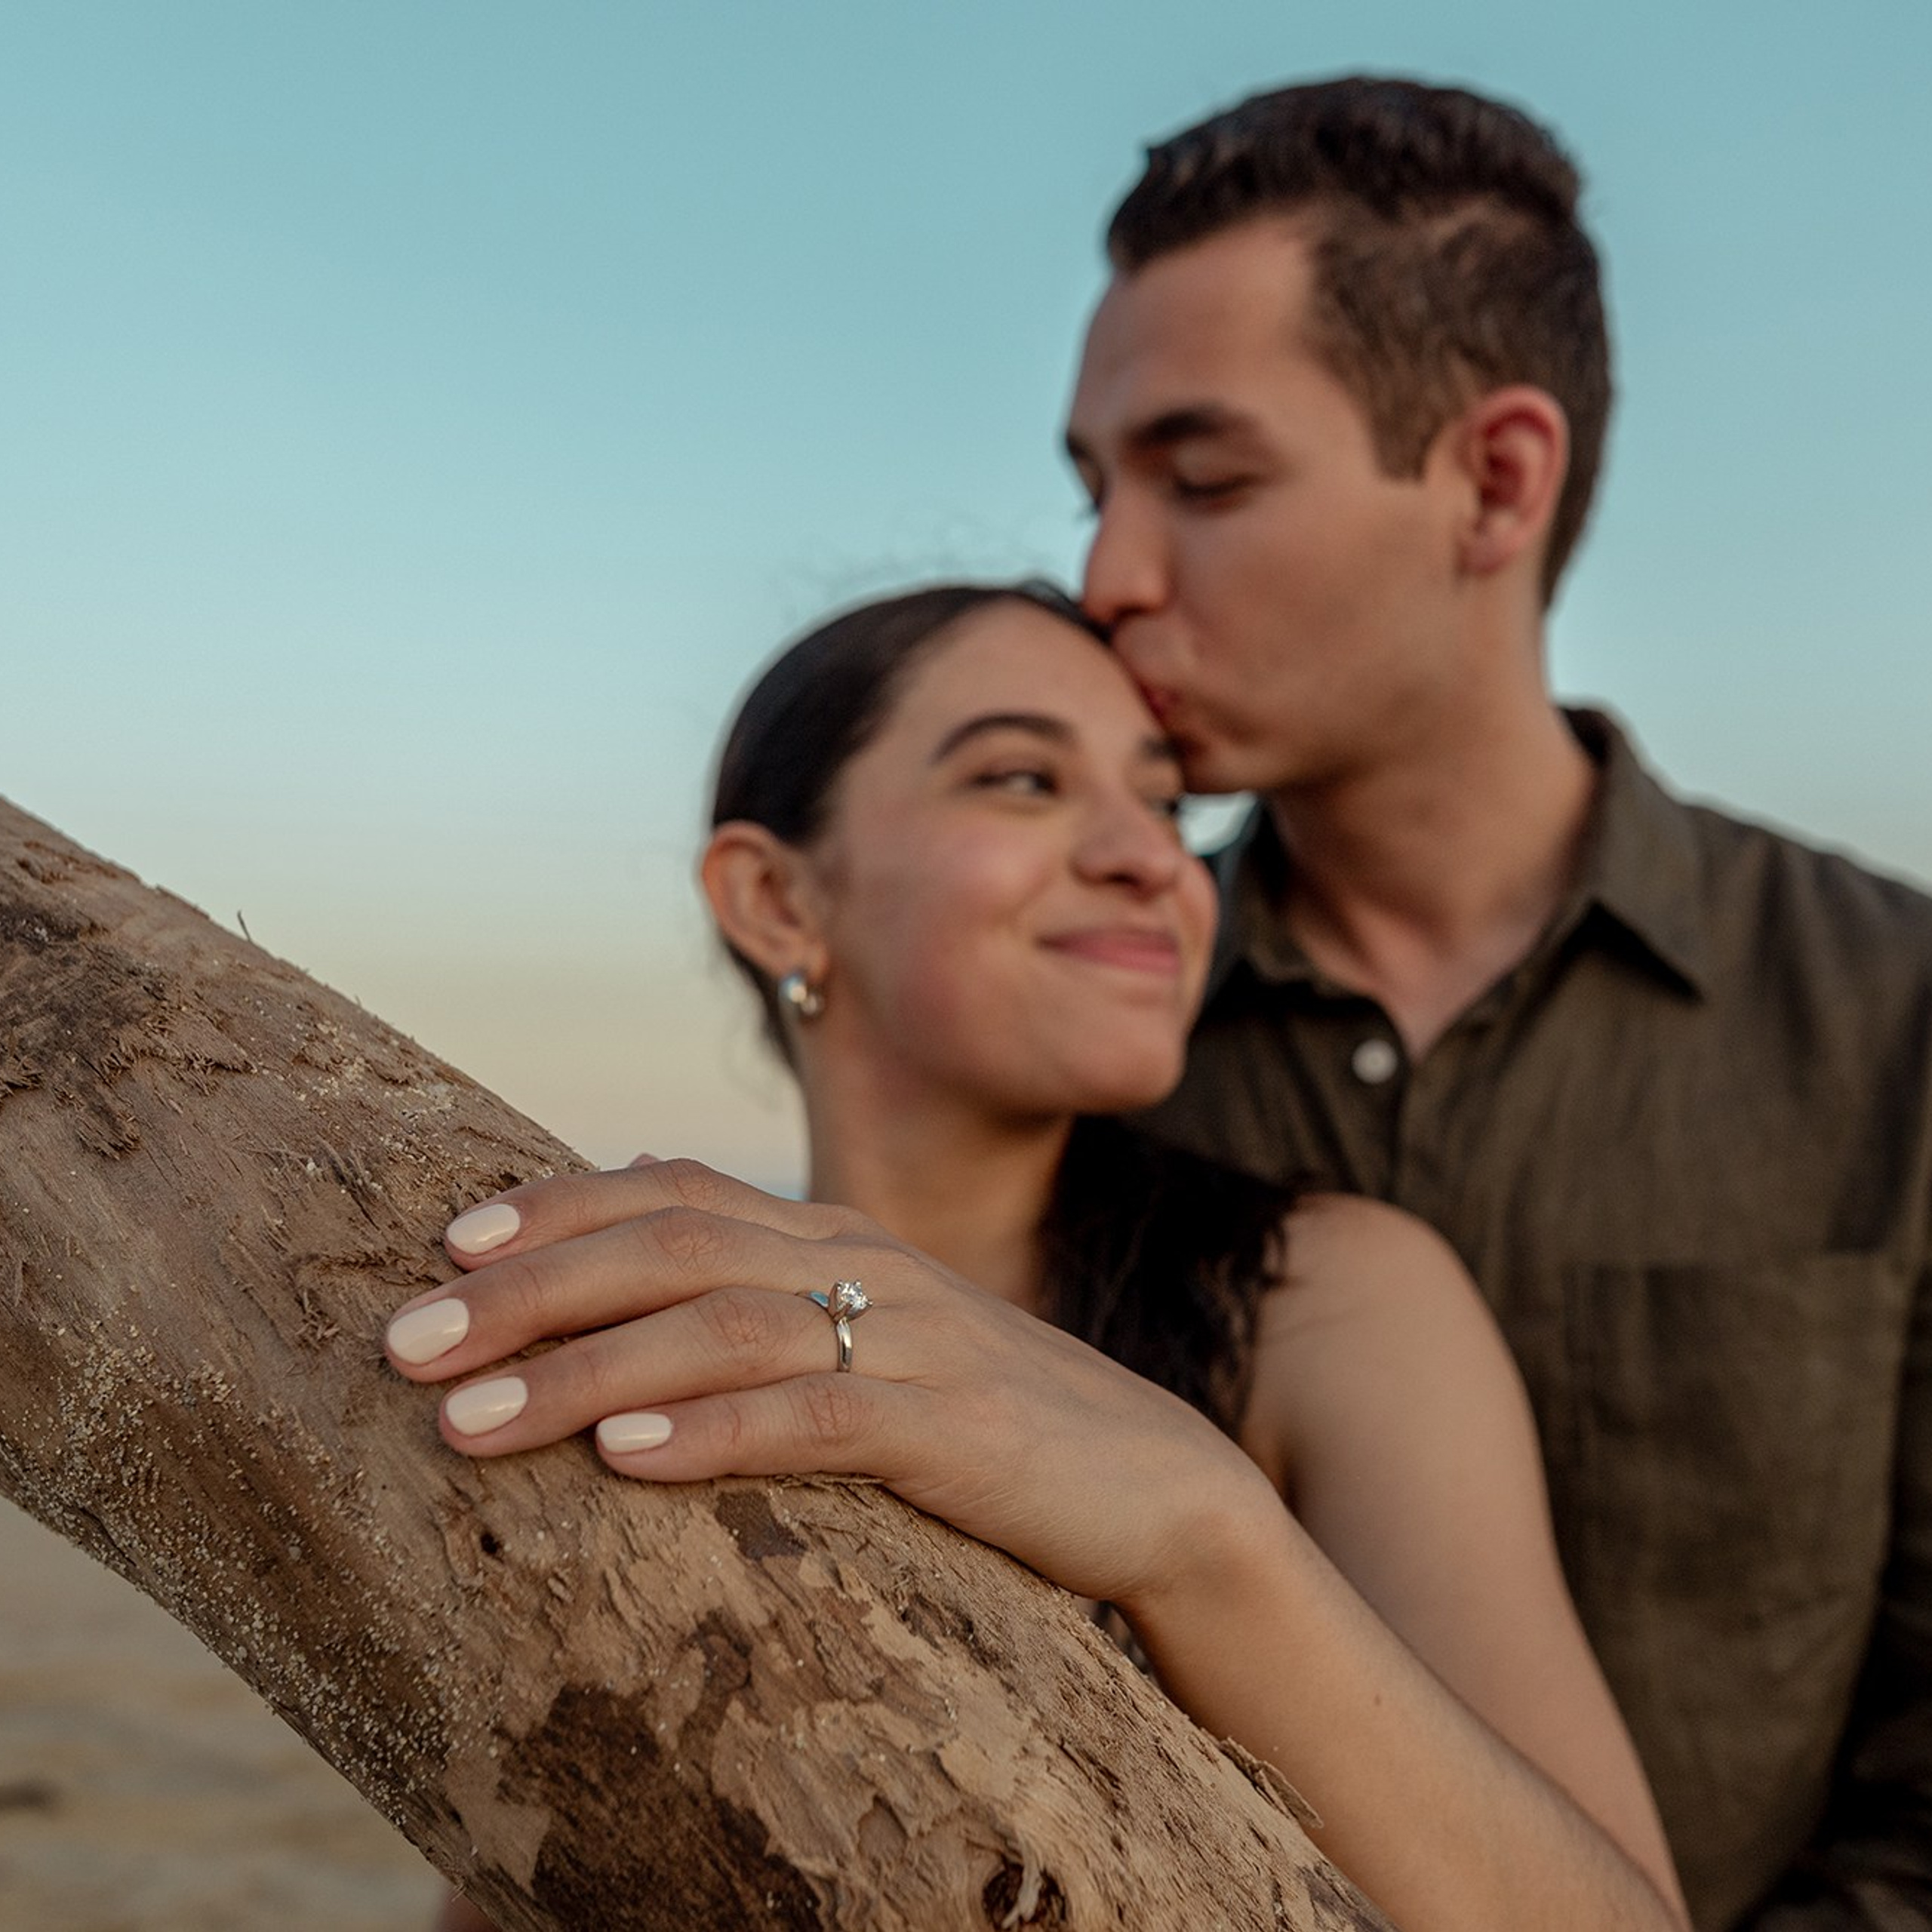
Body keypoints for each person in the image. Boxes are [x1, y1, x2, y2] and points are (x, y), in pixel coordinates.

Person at [387, 582, 1689, 1932]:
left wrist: (1204, 1535)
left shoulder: (1326, 1299)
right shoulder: (669, 1329)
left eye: (1168, 804)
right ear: (775, 897)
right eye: (1024, 779)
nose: (1153, 859)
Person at [1064, 77, 1932, 1932]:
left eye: (1200, 480)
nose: (1106, 578)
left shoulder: (1898, 1020)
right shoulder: (1069, 1048)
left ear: (1493, 479)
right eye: (1095, 489)